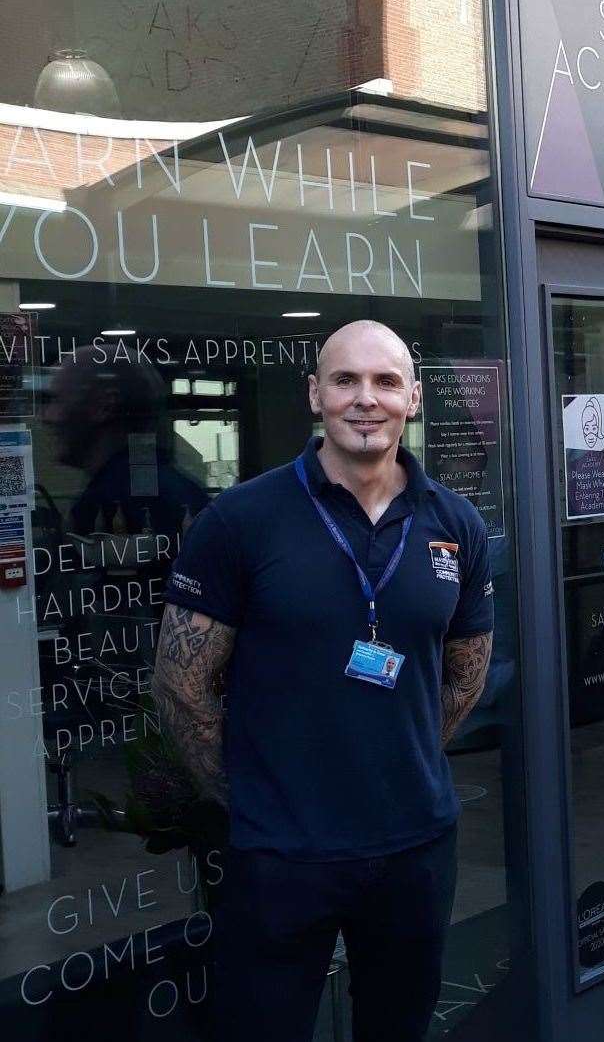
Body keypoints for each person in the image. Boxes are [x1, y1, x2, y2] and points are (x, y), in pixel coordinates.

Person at [152, 320, 496, 1042]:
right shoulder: (242, 519)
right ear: (315, 394)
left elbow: (465, 669)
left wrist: (400, 756)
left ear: (414, 398)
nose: (364, 399)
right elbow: (181, 684)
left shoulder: (454, 523)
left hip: (413, 846)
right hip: (281, 854)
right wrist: (250, 792)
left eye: (384, 381)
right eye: (344, 380)